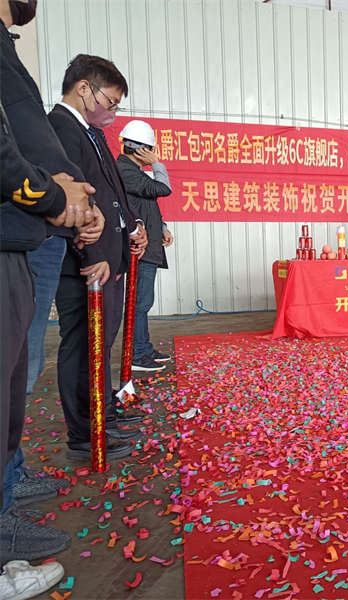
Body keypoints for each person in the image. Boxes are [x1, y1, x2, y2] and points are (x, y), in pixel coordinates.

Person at [1, 0, 104, 582]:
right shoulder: (65, 119)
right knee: (17, 370)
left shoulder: (7, 46)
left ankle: (9, 478)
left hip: (32, 230)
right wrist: (57, 195)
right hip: (25, 227)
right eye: (109, 100)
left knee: (18, 372)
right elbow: (12, 154)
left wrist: (74, 199)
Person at [48, 54, 148, 461]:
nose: (113, 112)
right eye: (110, 101)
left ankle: (102, 412)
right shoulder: (60, 128)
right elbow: (76, 198)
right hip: (87, 263)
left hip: (109, 256)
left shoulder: (90, 133)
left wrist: (133, 227)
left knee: (100, 344)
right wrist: (92, 252)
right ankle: (85, 433)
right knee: (82, 346)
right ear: (84, 88)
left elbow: (111, 192)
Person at [116, 120, 174, 372]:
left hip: (148, 245)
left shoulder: (133, 172)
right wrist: (157, 163)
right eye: (151, 149)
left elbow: (145, 205)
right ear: (141, 149)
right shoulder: (125, 171)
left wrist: (162, 228)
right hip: (139, 249)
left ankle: (144, 347)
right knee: (140, 303)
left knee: (143, 302)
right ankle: (138, 354)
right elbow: (163, 188)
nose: (153, 153)